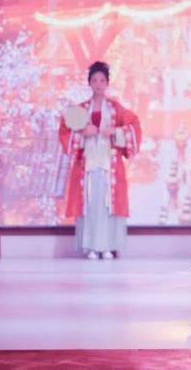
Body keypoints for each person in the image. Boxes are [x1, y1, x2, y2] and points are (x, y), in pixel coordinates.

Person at [59, 61, 142, 260]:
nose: (98, 84)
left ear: (107, 83)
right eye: (94, 80)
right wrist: (83, 133)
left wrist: (115, 131)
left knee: (108, 205)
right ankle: (90, 246)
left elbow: (134, 126)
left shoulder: (116, 109)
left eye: (102, 80)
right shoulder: (80, 109)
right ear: (89, 82)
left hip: (109, 166)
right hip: (86, 167)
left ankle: (108, 246)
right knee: (90, 204)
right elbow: (65, 132)